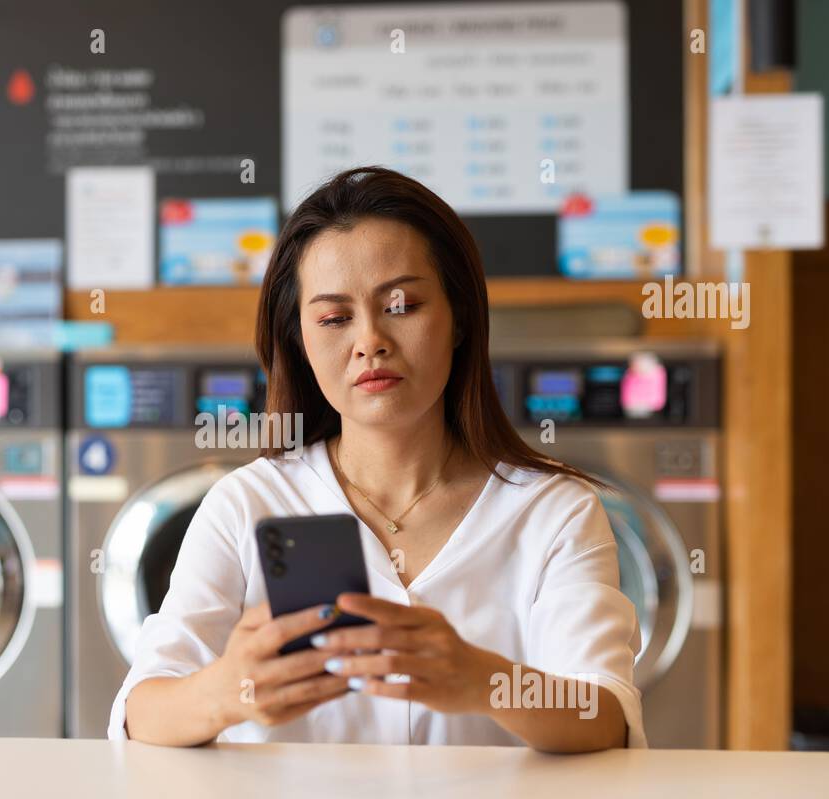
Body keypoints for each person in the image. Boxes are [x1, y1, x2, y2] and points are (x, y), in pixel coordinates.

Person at [108, 166, 645, 751]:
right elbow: (143, 711)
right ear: (300, 341)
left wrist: (482, 682)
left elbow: (606, 715)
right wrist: (224, 692)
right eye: (335, 318)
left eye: (403, 304)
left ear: (460, 318)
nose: (370, 341)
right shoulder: (246, 504)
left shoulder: (555, 511)